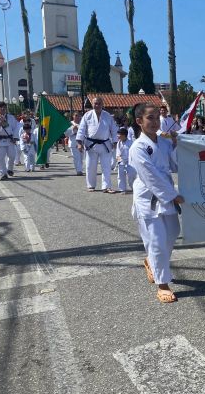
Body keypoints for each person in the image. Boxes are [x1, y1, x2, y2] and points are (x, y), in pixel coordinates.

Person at [128, 103, 183, 303]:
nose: (155, 122)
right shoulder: (138, 147)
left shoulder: (164, 142)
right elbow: (150, 176)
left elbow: (175, 164)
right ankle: (162, 284)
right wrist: (173, 195)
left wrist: (177, 145)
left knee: (173, 232)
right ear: (139, 122)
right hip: (148, 198)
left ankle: (151, 262)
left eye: (157, 118)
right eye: (150, 118)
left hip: (165, 194)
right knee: (157, 241)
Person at [76, 97, 118, 193]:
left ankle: (106, 186)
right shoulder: (87, 115)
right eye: (95, 103)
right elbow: (81, 129)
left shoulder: (108, 116)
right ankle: (91, 185)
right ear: (92, 104)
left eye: (99, 103)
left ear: (102, 104)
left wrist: (115, 142)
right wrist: (79, 143)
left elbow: (114, 130)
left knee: (106, 166)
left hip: (105, 144)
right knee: (90, 166)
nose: (97, 105)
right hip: (91, 144)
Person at [0, 102, 19, 180]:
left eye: (4, 107)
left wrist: (15, 137)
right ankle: (3, 174)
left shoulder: (11, 117)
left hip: (10, 139)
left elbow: (16, 127)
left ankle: (10, 169)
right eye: (1, 107)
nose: (3, 109)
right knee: (0, 157)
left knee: (12, 156)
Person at [116, 127, 136, 194]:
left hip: (130, 162)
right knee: (120, 175)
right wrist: (119, 160)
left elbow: (134, 153)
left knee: (131, 176)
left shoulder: (131, 143)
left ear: (124, 135)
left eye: (119, 134)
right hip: (121, 161)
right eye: (117, 134)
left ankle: (133, 187)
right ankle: (122, 189)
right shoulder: (118, 143)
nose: (117, 136)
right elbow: (117, 153)